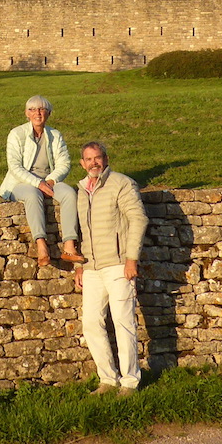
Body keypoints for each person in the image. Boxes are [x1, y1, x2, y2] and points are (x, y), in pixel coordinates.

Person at [73, 141, 148, 395]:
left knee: (123, 322)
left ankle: (129, 382)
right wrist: (80, 266)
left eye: (98, 158)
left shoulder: (121, 183)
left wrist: (131, 259)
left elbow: (138, 219)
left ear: (105, 159)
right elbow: (84, 231)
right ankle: (107, 379)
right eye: (89, 159)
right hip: (92, 267)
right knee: (91, 323)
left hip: (118, 264)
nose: (94, 163)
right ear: (82, 164)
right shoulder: (82, 190)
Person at [0, 95, 84, 267]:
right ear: (26, 114)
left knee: (68, 193)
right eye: (32, 110)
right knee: (32, 194)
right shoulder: (16, 134)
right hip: (20, 182)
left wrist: (51, 180)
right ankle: (41, 244)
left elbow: (64, 162)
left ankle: (69, 246)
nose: (38, 113)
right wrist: (38, 183)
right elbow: (15, 167)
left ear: (49, 113)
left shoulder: (55, 135)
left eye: (42, 109)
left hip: (49, 179)